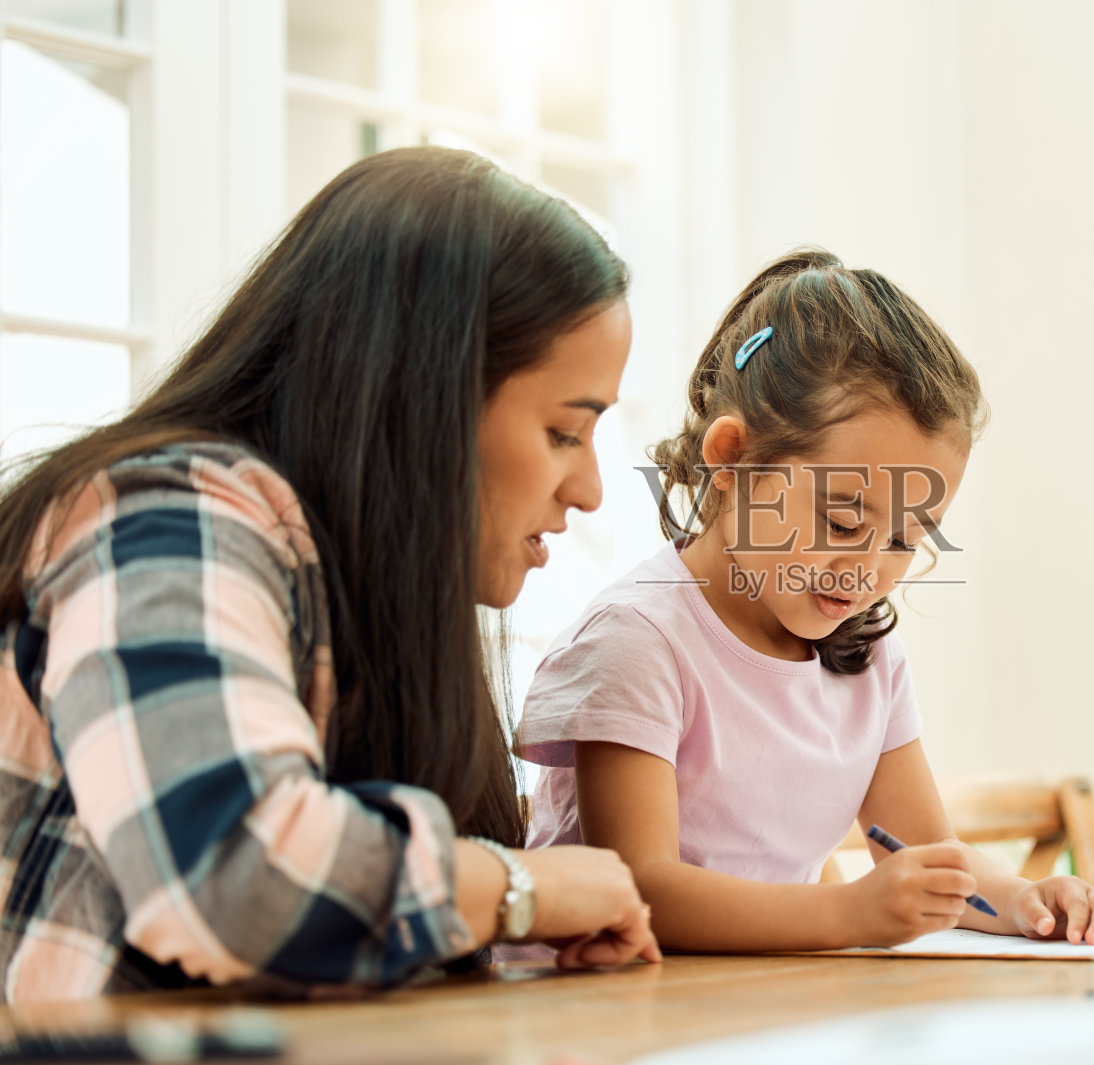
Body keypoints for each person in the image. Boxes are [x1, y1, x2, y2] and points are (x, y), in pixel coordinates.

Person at [0, 146, 659, 1003]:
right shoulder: (165, 520)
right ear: (421, 397)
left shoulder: (368, 600)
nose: (590, 490)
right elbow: (232, 869)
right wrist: (519, 888)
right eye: (565, 432)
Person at [512, 250, 1094, 952]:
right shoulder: (639, 643)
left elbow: (929, 852)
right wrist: (847, 912)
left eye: (903, 540)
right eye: (841, 521)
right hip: (594, 1002)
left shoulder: (869, 657)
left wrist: (1024, 901)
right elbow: (639, 889)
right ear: (732, 458)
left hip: (752, 998)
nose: (865, 569)